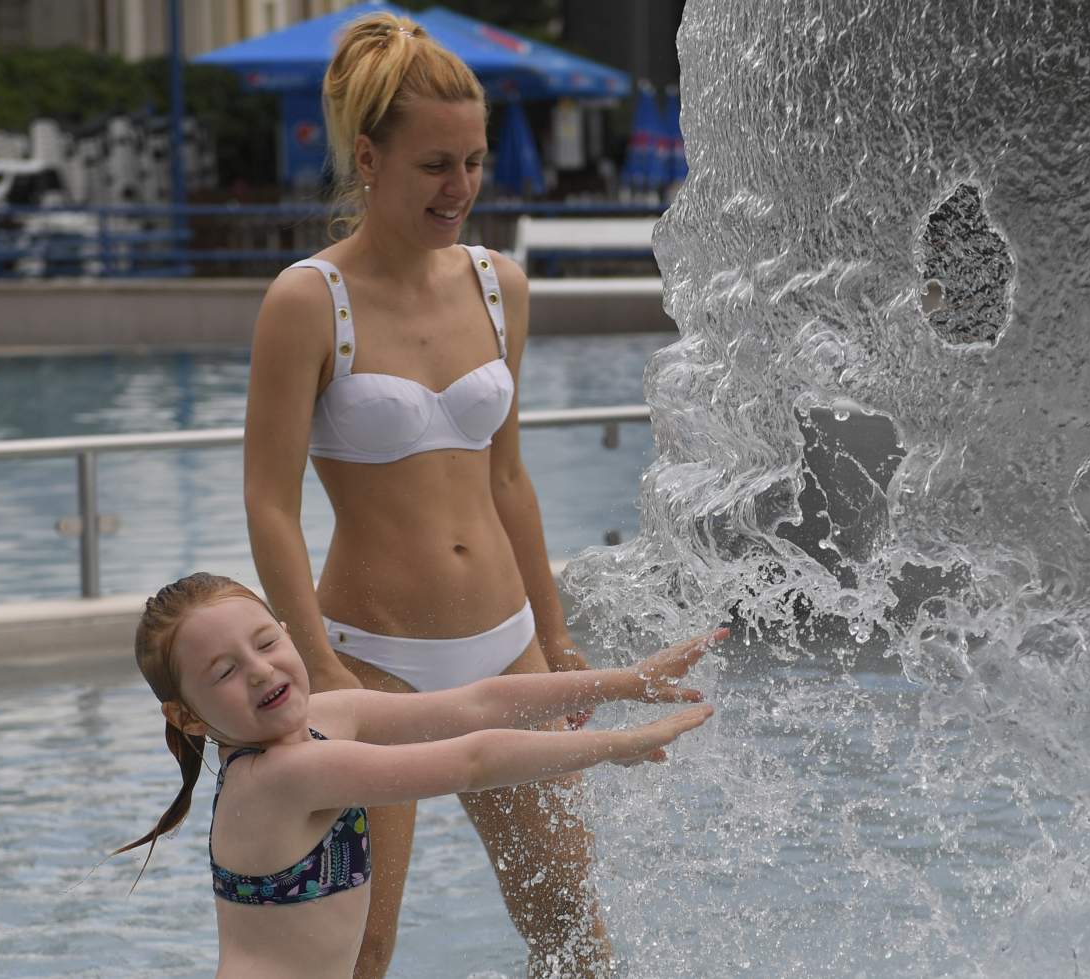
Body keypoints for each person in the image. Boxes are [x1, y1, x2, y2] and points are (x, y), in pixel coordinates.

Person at [243, 12, 622, 977]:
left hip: (509, 644)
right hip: (374, 666)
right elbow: (269, 505)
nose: (461, 190)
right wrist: (322, 665)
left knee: (572, 930)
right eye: (434, 166)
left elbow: (507, 476)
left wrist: (555, 629)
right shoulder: (305, 300)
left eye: (475, 162)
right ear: (367, 158)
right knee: (362, 951)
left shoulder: (502, 285)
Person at [115, 573, 718, 979]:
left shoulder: (327, 718)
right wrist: (614, 747)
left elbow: (474, 705)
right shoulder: (284, 776)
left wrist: (626, 682)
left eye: (266, 642)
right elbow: (470, 760)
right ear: (187, 717)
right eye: (224, 671)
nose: (257, 670)